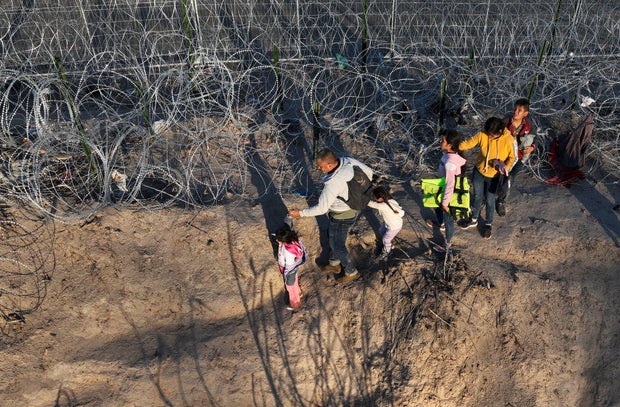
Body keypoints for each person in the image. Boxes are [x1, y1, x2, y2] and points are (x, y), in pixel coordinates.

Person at [288, 148, 373, 284]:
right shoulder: (348, 161)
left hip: (341, 216)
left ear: (329, 165)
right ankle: (334, 263)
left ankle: (351, 271)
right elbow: (370, 172)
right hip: (353, 209)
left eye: (320, 166)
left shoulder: (333, 183)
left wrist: (300, 213)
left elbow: (321, 209)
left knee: (337, 244)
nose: (318, 169)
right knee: (336, 238)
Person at [458, 117, 515, 239]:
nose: (489, 137)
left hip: (494, 177)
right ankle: (474, 219)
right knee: (477, 196)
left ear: (500, 132)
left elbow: (512, 157)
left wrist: (505, 167)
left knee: (490, 201)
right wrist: (455, 145)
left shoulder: (508, 140)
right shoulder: (482, 135)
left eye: (492, 135)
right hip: (479, 172)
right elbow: (468, 143)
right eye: (488, 134)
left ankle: (488, 224)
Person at [425, 129, 467, 252]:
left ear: (449, 145)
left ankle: (447, 246)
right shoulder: (450, 155)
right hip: (444, 188)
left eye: (443, 140)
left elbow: (450, 183)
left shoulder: (450, 162)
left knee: (449, 220)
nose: (440, 141)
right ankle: (441, 223)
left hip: (449, 194)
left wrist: (445, 203)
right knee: (436, 206)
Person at [495, 98, 535, 216]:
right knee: (498, 177)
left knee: (509, 180)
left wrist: (532, 147)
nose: (516, 112)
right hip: (504, 157)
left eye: (520, 110)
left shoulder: (528, 126)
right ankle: (487, 197)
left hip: (520, 158)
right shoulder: (505, 123)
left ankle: (501, 201)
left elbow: (535, 138)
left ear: (525, 114)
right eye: (515, 109)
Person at [368, 186, 405, 260]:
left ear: (380, 198)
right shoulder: (391, 201)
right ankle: (387, 244)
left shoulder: (383, 205)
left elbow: (372, 204)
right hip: (390, 224)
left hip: (394, 226)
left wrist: (364, 200)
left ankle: (387, 251)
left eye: (375, 197)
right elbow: (401, 212)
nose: (374, 199)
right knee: (381, 230)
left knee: (386, 239)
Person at [275, 224, 306, 310]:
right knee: (295, 281)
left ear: (284, 240)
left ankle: (294, 303)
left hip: (289, 270)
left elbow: (289, 266)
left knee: (290, 286)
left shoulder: (288, 252)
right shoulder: (292, 240)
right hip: (295, 268)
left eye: (278, 240)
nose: (277, 240)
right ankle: (299, 292)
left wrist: (286, 275)